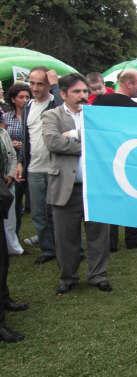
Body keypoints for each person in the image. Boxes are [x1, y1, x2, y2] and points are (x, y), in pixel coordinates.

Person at [42, 73, 112, 295]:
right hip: (65, 186)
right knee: (65, 236)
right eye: (77, 91)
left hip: (96, 186)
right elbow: (53, 142)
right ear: (63, 94)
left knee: (99, 234)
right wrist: (88, 143)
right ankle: (68, 277)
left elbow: (105, 141)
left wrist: (73, 134)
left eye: (85, 91)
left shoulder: (96, 115)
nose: (83, 95)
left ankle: (98, 275)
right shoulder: (51, 115)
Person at [16, 67, 62, 265]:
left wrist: (56, 85)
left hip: (54, 167)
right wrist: (20, 161)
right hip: (34, 168)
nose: (35, 88)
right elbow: (26, 137)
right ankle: (48, 249)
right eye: (32, 83)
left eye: (40, 83)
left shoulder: (55, 103)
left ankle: (65, 248)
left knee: (57, 213)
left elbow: (66, 112)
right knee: (37, 213)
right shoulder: (28, 106)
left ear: (48, 85)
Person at [93, 69, 137, 251]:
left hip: (105, 159)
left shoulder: (99, 102)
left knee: (110, 200)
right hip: (131, 160)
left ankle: (111, 241)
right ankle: (132, 239)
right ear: (128, 83)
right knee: (133, 197)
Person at [0, 124, 28, 343]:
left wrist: (10, 174)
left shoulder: (2, 130)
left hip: (4, 187)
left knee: (3, 259)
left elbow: (10, 154)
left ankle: (4, 299)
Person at [4, 83, 31, 243]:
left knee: (37, 205)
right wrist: (11, 143)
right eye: (21, 97)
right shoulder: (6, 117)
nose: (25, 100)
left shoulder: (33, 116)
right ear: (13, 99)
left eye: (27, 97)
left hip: (30, 162)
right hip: (13, 164)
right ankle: (13, 238)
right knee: (15, 203)